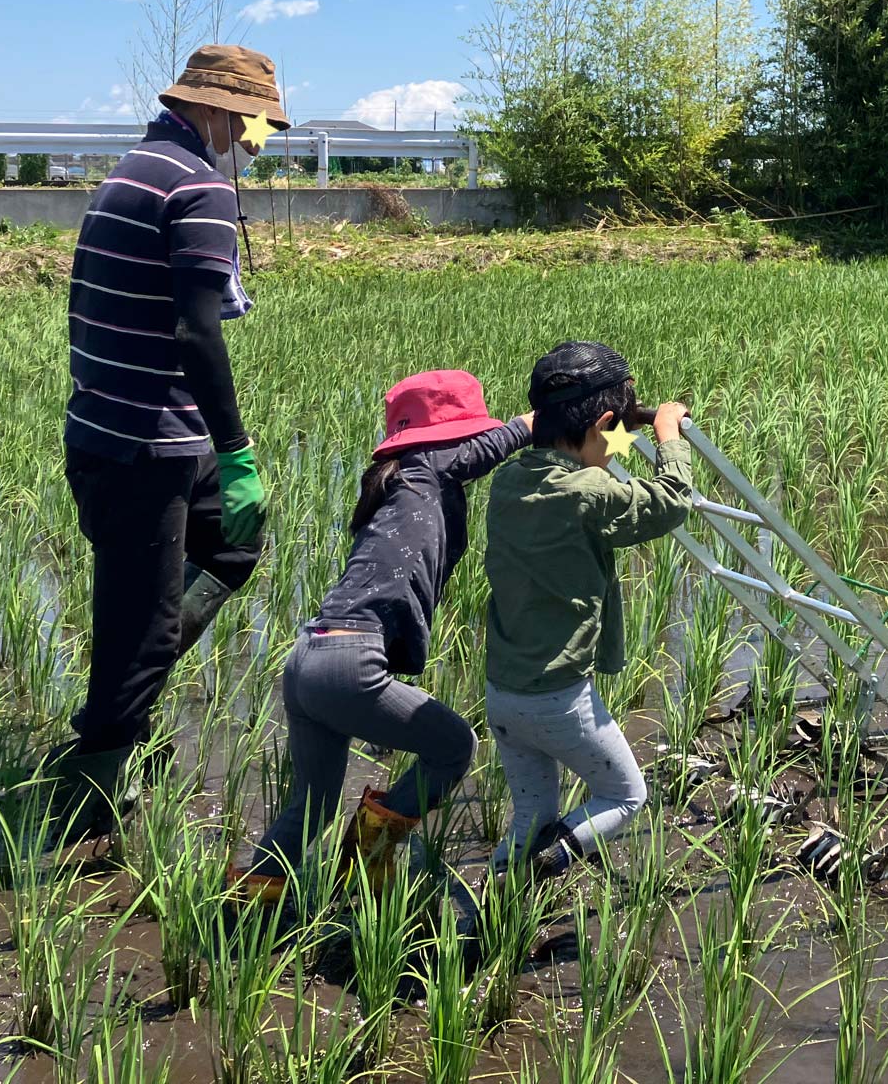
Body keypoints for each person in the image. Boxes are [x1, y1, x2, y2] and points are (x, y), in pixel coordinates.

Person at [45, 44, 288, 832]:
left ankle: (130, 696)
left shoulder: (141, 165)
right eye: (256, 120)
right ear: (218, 108)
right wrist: (241, 450)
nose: (259, 140)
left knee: (232, 543)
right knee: (139, 628)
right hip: (146, 445)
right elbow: (197, 330)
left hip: (115, 427)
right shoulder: (199, 184)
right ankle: (88, 800)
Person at [230, 371, 532, 902]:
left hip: (309, 656)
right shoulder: (429, 468)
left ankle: (244, 917)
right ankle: (368, 849)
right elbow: (481, 450)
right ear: (447, 439)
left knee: (313, 803)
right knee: (455, 746)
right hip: (350, 661)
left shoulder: (396, 482)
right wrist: (536, 421)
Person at [483, 341, 693, 878]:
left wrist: (619, 428)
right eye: (616, 429)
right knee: (624, 796)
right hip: (559, 700)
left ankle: (495, 903)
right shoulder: (590, 494)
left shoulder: (509, 481)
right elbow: (670, 501)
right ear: (602, 422)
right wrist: (665, 430)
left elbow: (589, 456)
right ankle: (550, 863)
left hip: (503, 694)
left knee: (531, 813)